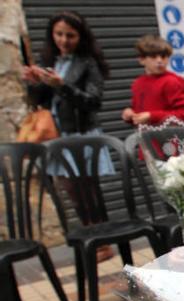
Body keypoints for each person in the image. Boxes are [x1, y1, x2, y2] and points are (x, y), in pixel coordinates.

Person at [21, 11, 114, 260]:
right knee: (71, 189)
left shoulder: (88, 63)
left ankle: (104, 241)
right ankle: (92, 237)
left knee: (88, 188)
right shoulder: (49, 61)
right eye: (59, 34)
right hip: (57, 136)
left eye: (70, 35)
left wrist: (61, 85)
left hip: (82, 135)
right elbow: (38, 101)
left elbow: (92, 101)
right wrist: (33, 83)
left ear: (80, 36)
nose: (64, 40)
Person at [122, 34, 184, 127]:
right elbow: (140, 114)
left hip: (171, 138)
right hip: (146, 138)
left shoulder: (171, 82)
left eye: (163, 56)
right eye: (153, 57)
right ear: (141, 60)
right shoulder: (138, 83)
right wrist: (130, 115)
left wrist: (152, 116)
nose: (159, 60)